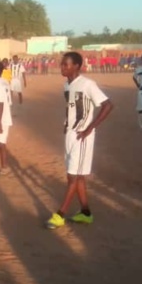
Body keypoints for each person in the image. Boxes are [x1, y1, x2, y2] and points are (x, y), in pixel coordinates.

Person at [47, 52, 114, 230]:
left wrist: (90, 127)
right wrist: (66, 124)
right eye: (62, 65)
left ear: (77, 66)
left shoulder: (87, 84)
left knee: (73, 177)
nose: (62, 68)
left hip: (82, 137)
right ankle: (85, 213)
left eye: (66, 65)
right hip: (69, 135)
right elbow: (71, 108)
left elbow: (108, 105)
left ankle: (60, 214)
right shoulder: (67, 85)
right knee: (77, 175)